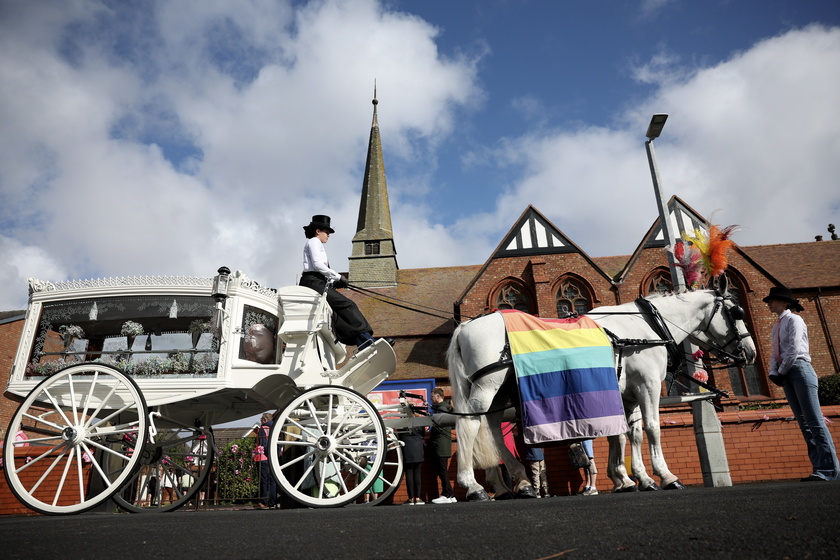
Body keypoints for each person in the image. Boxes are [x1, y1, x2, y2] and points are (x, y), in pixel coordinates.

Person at [764, 286, 840, 481]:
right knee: (804, 423)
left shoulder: (794, 320)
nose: (769, 303)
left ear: (785, 302)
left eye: (773, 300)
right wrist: (774, 372)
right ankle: (819, 469)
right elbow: (776, 351)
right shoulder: (776, 325)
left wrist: (780, 371)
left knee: (814, 421)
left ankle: (830, 470)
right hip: (787, 371)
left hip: (799, 369)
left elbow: (794, 348)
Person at [299, 215, 377, 349]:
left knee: (337, 313)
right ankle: (367, 342)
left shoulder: (316, 243)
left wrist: (334, 283)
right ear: (318, 231)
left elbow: (319, 270)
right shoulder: (314, 241)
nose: (328, 236)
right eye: (327, 232)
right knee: (348, 305)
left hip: (317, 282)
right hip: (312, 282)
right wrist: (338, 277)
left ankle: (362, 342)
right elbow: (318, 265)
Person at [429, 388, 456, 504]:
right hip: (442, 444)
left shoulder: (441, 410)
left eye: (432, 396)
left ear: (438, 396)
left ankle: (447, 494)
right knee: (442, 470)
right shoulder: (443, 409)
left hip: (440, 445)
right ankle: (451, 495)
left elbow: (438, 429)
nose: (431, 398)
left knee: (442, 471)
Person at [398, 419, 426, 505]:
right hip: (418, 446)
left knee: (409, 473)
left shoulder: (401, 422)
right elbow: (423, 434)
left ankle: (410, 498)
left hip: (407, 447)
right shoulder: (419, 421)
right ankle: (417, 498)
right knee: (417, 473)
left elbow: (399, 435)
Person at [255, 412, 279, 508]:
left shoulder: (262, 429)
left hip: (263, 457)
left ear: (264, 420)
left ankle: (264, 501)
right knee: (272, 480)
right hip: (273, 457)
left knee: (264, 480)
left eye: (261, 420)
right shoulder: (275, 428)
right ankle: (272, 501)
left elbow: (263, 443)